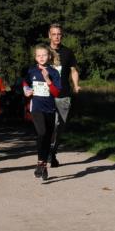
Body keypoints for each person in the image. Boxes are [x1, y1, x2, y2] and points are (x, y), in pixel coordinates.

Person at [22, 45, 61, 180]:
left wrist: (48, 80)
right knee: (42, 133)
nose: (41, 58)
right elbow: (25, 83)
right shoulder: (32, 71)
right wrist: (26, 90)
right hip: (36, 109)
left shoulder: (54, 72)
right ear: (35, 58)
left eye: (44, 55)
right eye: (39, 55)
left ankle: (43, 166)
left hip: (50, 109)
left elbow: (57, 92)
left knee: (47, 138)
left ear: (49, 56)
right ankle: (40, 163)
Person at [47, 22, 80, 167]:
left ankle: (52, 152)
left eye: (59, 34)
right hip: (47, 95)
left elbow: (73, 70)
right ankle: (47, 152)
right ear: (49, 35)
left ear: (62, 35)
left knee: (60, 126)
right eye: (54, 34)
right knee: (51, 125)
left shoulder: (68, 52)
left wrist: (76, 85)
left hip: (64, 94)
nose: (56, 37)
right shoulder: (44, 52)